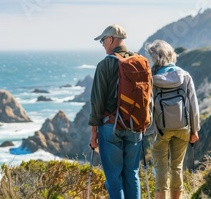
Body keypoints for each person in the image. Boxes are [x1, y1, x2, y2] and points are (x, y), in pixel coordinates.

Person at [89, 24, 144, 199]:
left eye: (103, 40)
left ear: (111, 39)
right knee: (132, 175)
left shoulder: (105, 65)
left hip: (111, 127)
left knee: (114, 179)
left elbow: (97, 102)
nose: (103, 44)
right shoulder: (140, 61)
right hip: (135, 126)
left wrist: (93, 133)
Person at [145, 40, 200, 199]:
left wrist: (146, 128)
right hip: (183, 127)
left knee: (160, 168)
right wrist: (194, 130)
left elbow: (148, 104)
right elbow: (193, 104)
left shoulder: (152, 79)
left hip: (160, 129)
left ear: (155, 58)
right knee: (176, 167)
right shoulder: (185, 75)